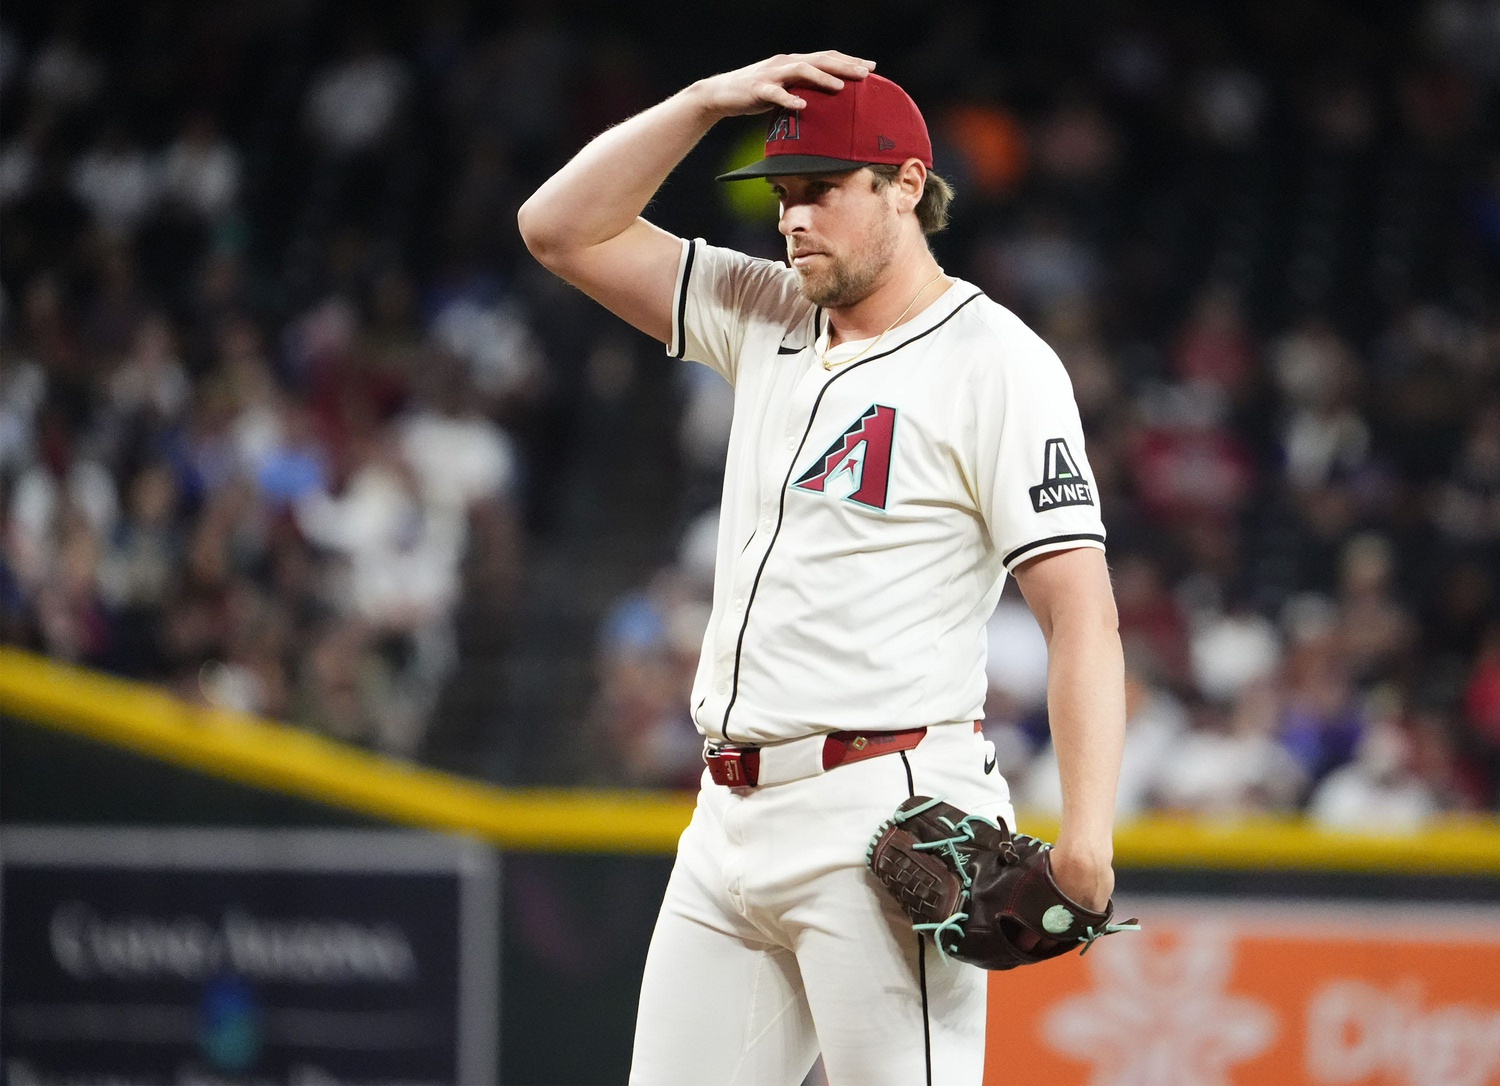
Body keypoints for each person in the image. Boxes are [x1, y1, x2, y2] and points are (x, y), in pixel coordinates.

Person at [518, 52, 1126, 1086]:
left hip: (885, 815)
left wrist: (1089, 841)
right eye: (784, 195)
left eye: (822, 191)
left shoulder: (998, 362)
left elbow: (1081, 616)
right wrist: (704, 103)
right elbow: (559, 229)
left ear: (904, 186)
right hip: (726, 820)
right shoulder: (766, 313)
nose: (794, 218)